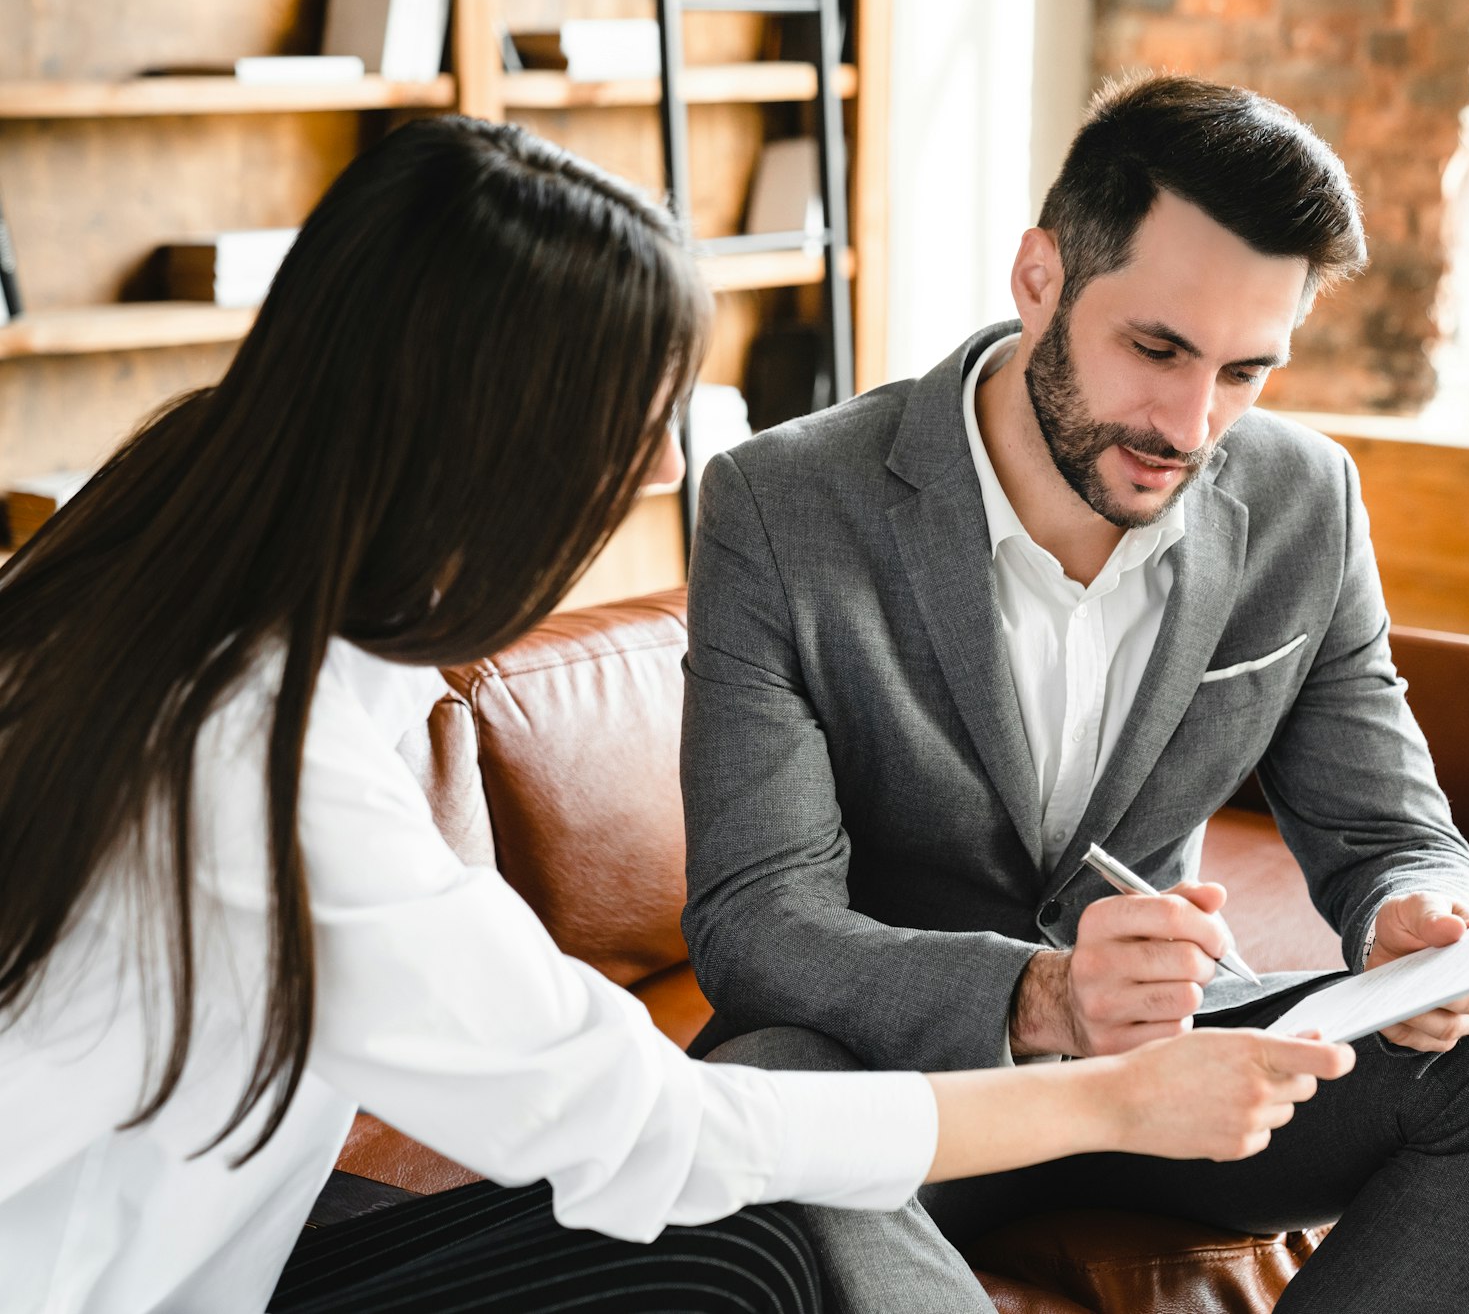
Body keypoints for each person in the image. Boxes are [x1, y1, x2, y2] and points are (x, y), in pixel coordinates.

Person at [0, 115, 1357, 1314]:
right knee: (734, 1238)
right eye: (633, 415)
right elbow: (652, 1120)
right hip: (113, 1278)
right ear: (484, 429)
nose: (658, 463)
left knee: (731, 1244)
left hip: (215, 1230)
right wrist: (1111, 1096)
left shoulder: (183, 540)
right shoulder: (260, 763)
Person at [679, 73, 1469, 1313]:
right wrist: (1041, 996)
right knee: (763, 1103)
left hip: (1179, 1065)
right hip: (906, 1085)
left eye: (1244, 371)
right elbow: (756, 920)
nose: (1189, 424)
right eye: (1156, 348)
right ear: (1037, 278)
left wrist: (1418, 918)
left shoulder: (1303, 498)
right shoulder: (780, 502)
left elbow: (1392, 831)